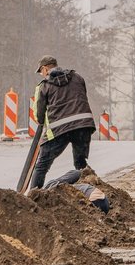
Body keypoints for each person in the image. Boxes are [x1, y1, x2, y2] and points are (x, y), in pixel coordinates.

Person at [30, 55, 96, 189]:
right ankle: (90, 191)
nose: (41, 74)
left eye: (41, 71)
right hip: (83, 125)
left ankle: (34, 194)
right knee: (80, 163)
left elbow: (39, 116)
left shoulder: (44, 85)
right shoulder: (77, 77)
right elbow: (82, 97)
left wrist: (43, 122)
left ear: (45, 69)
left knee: (42, 165)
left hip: (59, 128)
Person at [43, 169, 110, 214]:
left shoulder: (55, 187)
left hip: (95, 198)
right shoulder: (73, 186)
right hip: (104, 201)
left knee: (54, 185)